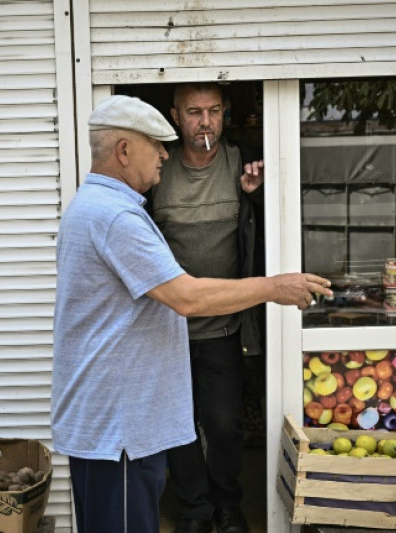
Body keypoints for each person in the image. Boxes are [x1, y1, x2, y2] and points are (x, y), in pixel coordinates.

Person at [50, 94, 331, 533]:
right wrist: (276, 287)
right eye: (156, 144)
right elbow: (187, 297)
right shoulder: (114, 218)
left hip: (109, 427)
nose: (166, 153)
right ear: (124, 151)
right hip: (119, 434)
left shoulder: (95, 208)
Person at [144, 83, 263, 533]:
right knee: (180, 426)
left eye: (214, 111)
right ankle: (194, 509)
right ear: (175, 116)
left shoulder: (242, 161)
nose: (205, 122)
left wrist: (255, 194)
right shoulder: (159, 167)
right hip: (168, 327)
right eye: (194, 112)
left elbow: (271, 230)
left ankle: (227, 504)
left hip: (224, 327)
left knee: (226, 425)